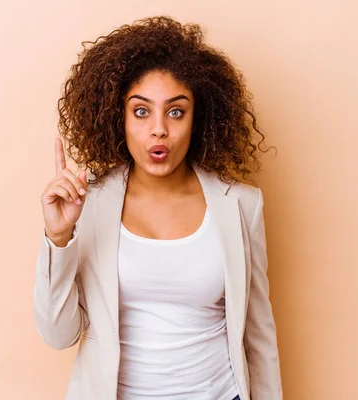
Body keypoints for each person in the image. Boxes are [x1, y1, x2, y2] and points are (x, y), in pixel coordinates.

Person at [35, 16, 282, 400]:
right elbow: (58, 334)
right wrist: (59, 237)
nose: (158, 130)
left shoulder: (241, 205)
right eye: (141, 111)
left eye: (175, 111)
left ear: (197, 119)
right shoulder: (89, 205)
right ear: (119, 118)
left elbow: (259, 336)